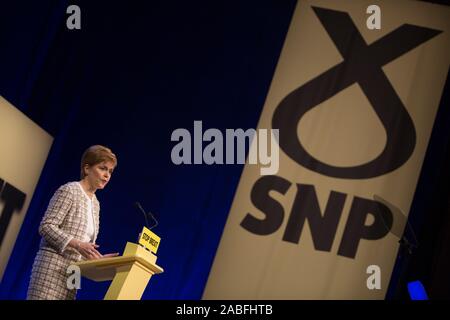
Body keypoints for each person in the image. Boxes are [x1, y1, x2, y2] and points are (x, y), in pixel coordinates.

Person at [27, 145, 119, 300]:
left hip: (74, 273)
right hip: (52, 268)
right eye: (103, 168)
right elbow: (46, 226)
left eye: (110, 171)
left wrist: (97, 258)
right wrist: (77, 244)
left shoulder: (95, 203)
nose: (107, 175)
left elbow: (84, 244)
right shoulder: (70, 190)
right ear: (87, 168)